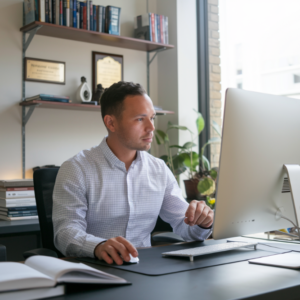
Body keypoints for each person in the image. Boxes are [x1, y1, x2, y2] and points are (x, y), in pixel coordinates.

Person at [53, 81, 214, 265]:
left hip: (146, 270)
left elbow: (186, 227)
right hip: (94, 270)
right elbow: (65, 233)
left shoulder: (159, 169)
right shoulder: (77, 169)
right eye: (140, 119)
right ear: (111, 123)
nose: (151, 128)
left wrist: (203, 222)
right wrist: (98, 246)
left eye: (152, 118)